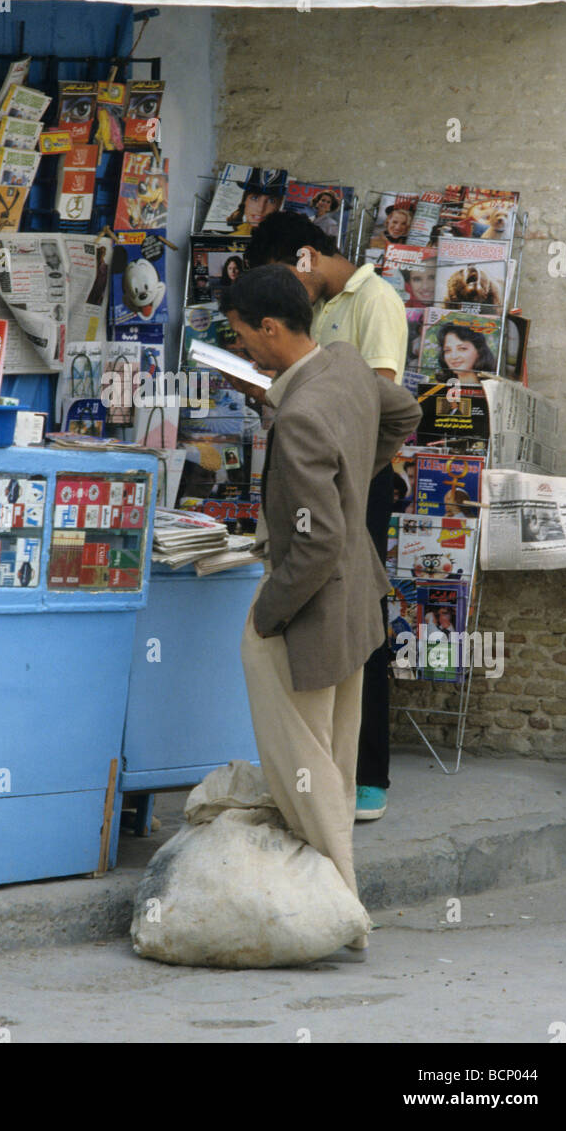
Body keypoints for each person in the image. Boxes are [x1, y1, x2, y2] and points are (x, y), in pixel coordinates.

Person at [222, 266, 421, 936]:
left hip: (311, 608)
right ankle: (334, 902)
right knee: (330, 764)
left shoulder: (304, 413)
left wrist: (267, 612)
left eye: (244, 336)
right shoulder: (344, 364)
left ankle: (337, 907)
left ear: (271, 330)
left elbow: (315, 543)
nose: (244, 347)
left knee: (306, 769)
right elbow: (405, 411)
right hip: (356, 600)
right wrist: (356, 470)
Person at [246, 212, 408, 823]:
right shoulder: (325, 308)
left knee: (357, 616)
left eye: (286, 275)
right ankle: (323, 779)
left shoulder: (376, 301)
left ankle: (366, 776)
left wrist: (361, 468)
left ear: (307, 258)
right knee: (325, 616)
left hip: (353, 482)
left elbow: (383, 397)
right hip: (322, 475)